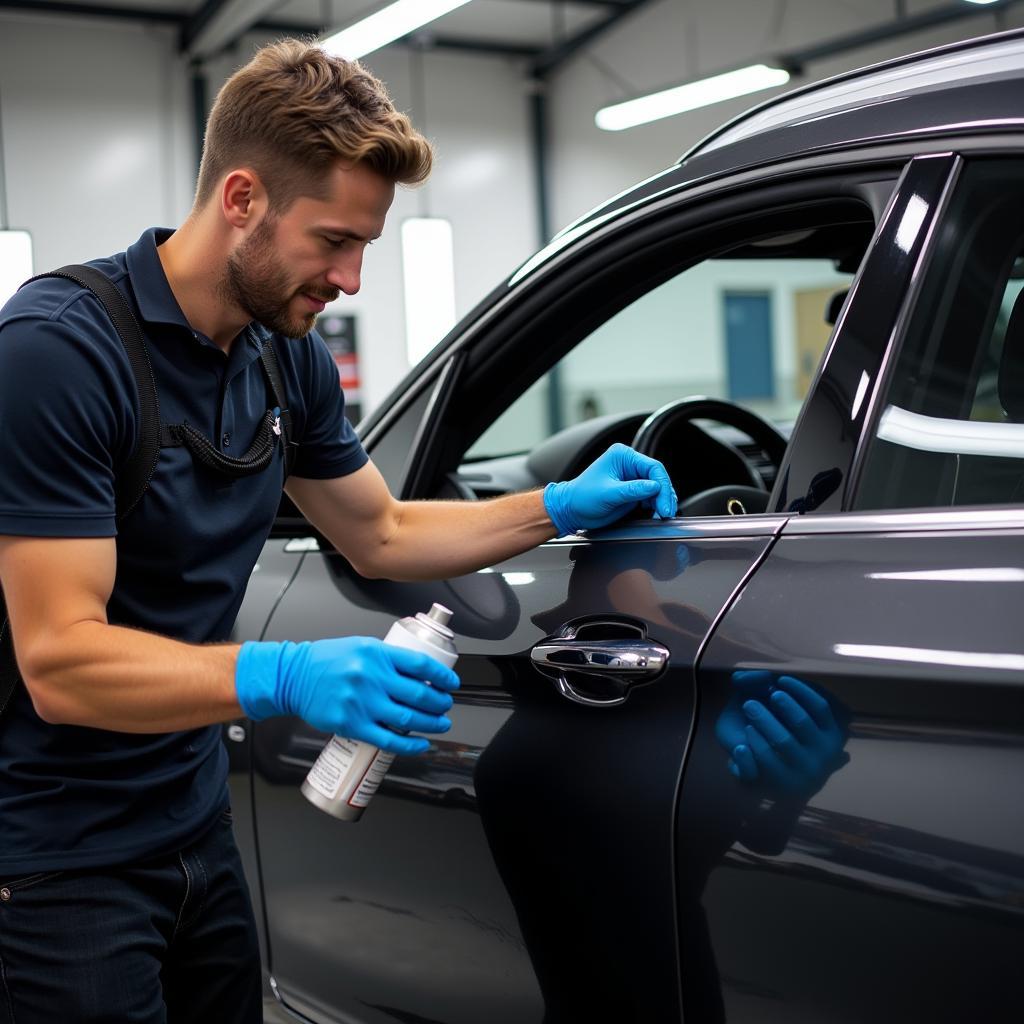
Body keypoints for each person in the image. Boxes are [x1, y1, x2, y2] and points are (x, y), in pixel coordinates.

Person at [0, 39, 675, 1024]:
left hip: (192, 824)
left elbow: (384, 533)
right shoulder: (60, 354)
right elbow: (59, 663)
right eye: (332, 241)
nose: (352, 279)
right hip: (58, 858)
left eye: (365, 245)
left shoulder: (282, 357)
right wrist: (282, 673)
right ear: (241, 199)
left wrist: (557, 505)